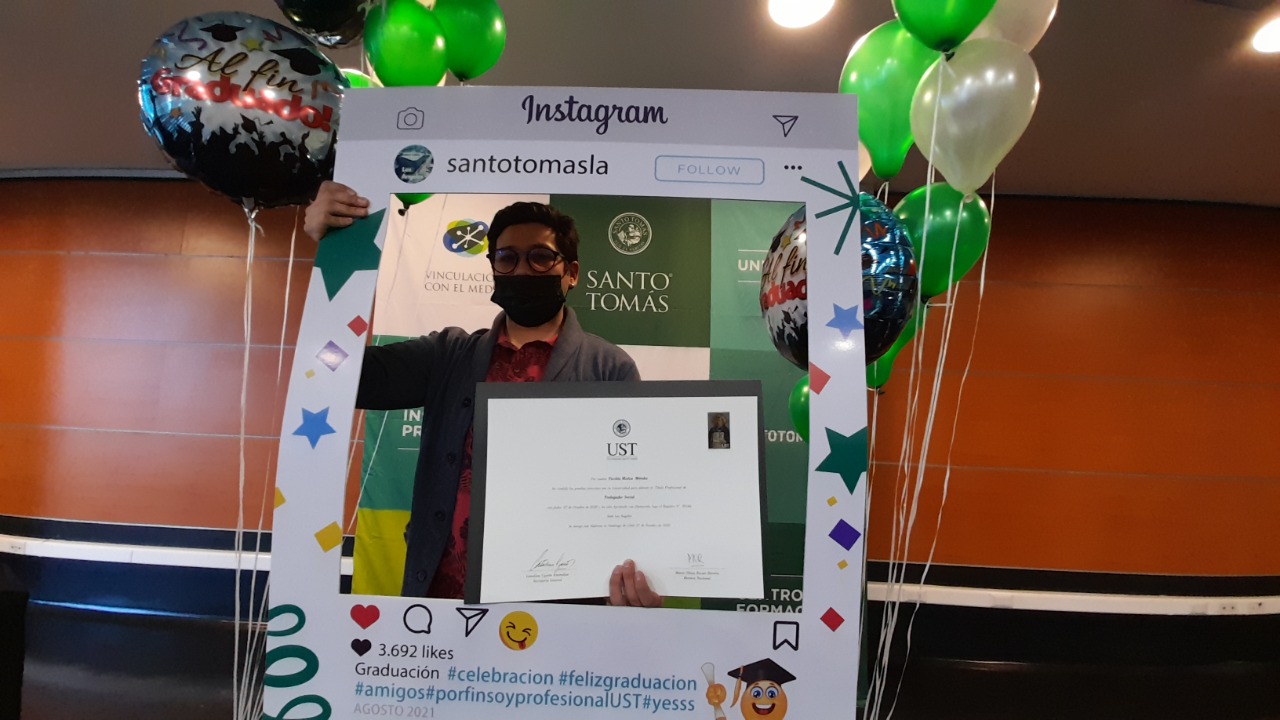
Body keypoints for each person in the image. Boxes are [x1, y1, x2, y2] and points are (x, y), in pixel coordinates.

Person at [306, 181, 662, 607]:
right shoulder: (449, 355)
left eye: (541, 257)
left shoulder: (609, 369)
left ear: (571, 273)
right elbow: (337, 372)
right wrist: (337, 251)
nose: (522, 271)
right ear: (493, 267)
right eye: (507, 258)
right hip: (440, 605)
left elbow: (633, 491)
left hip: (556, 607)